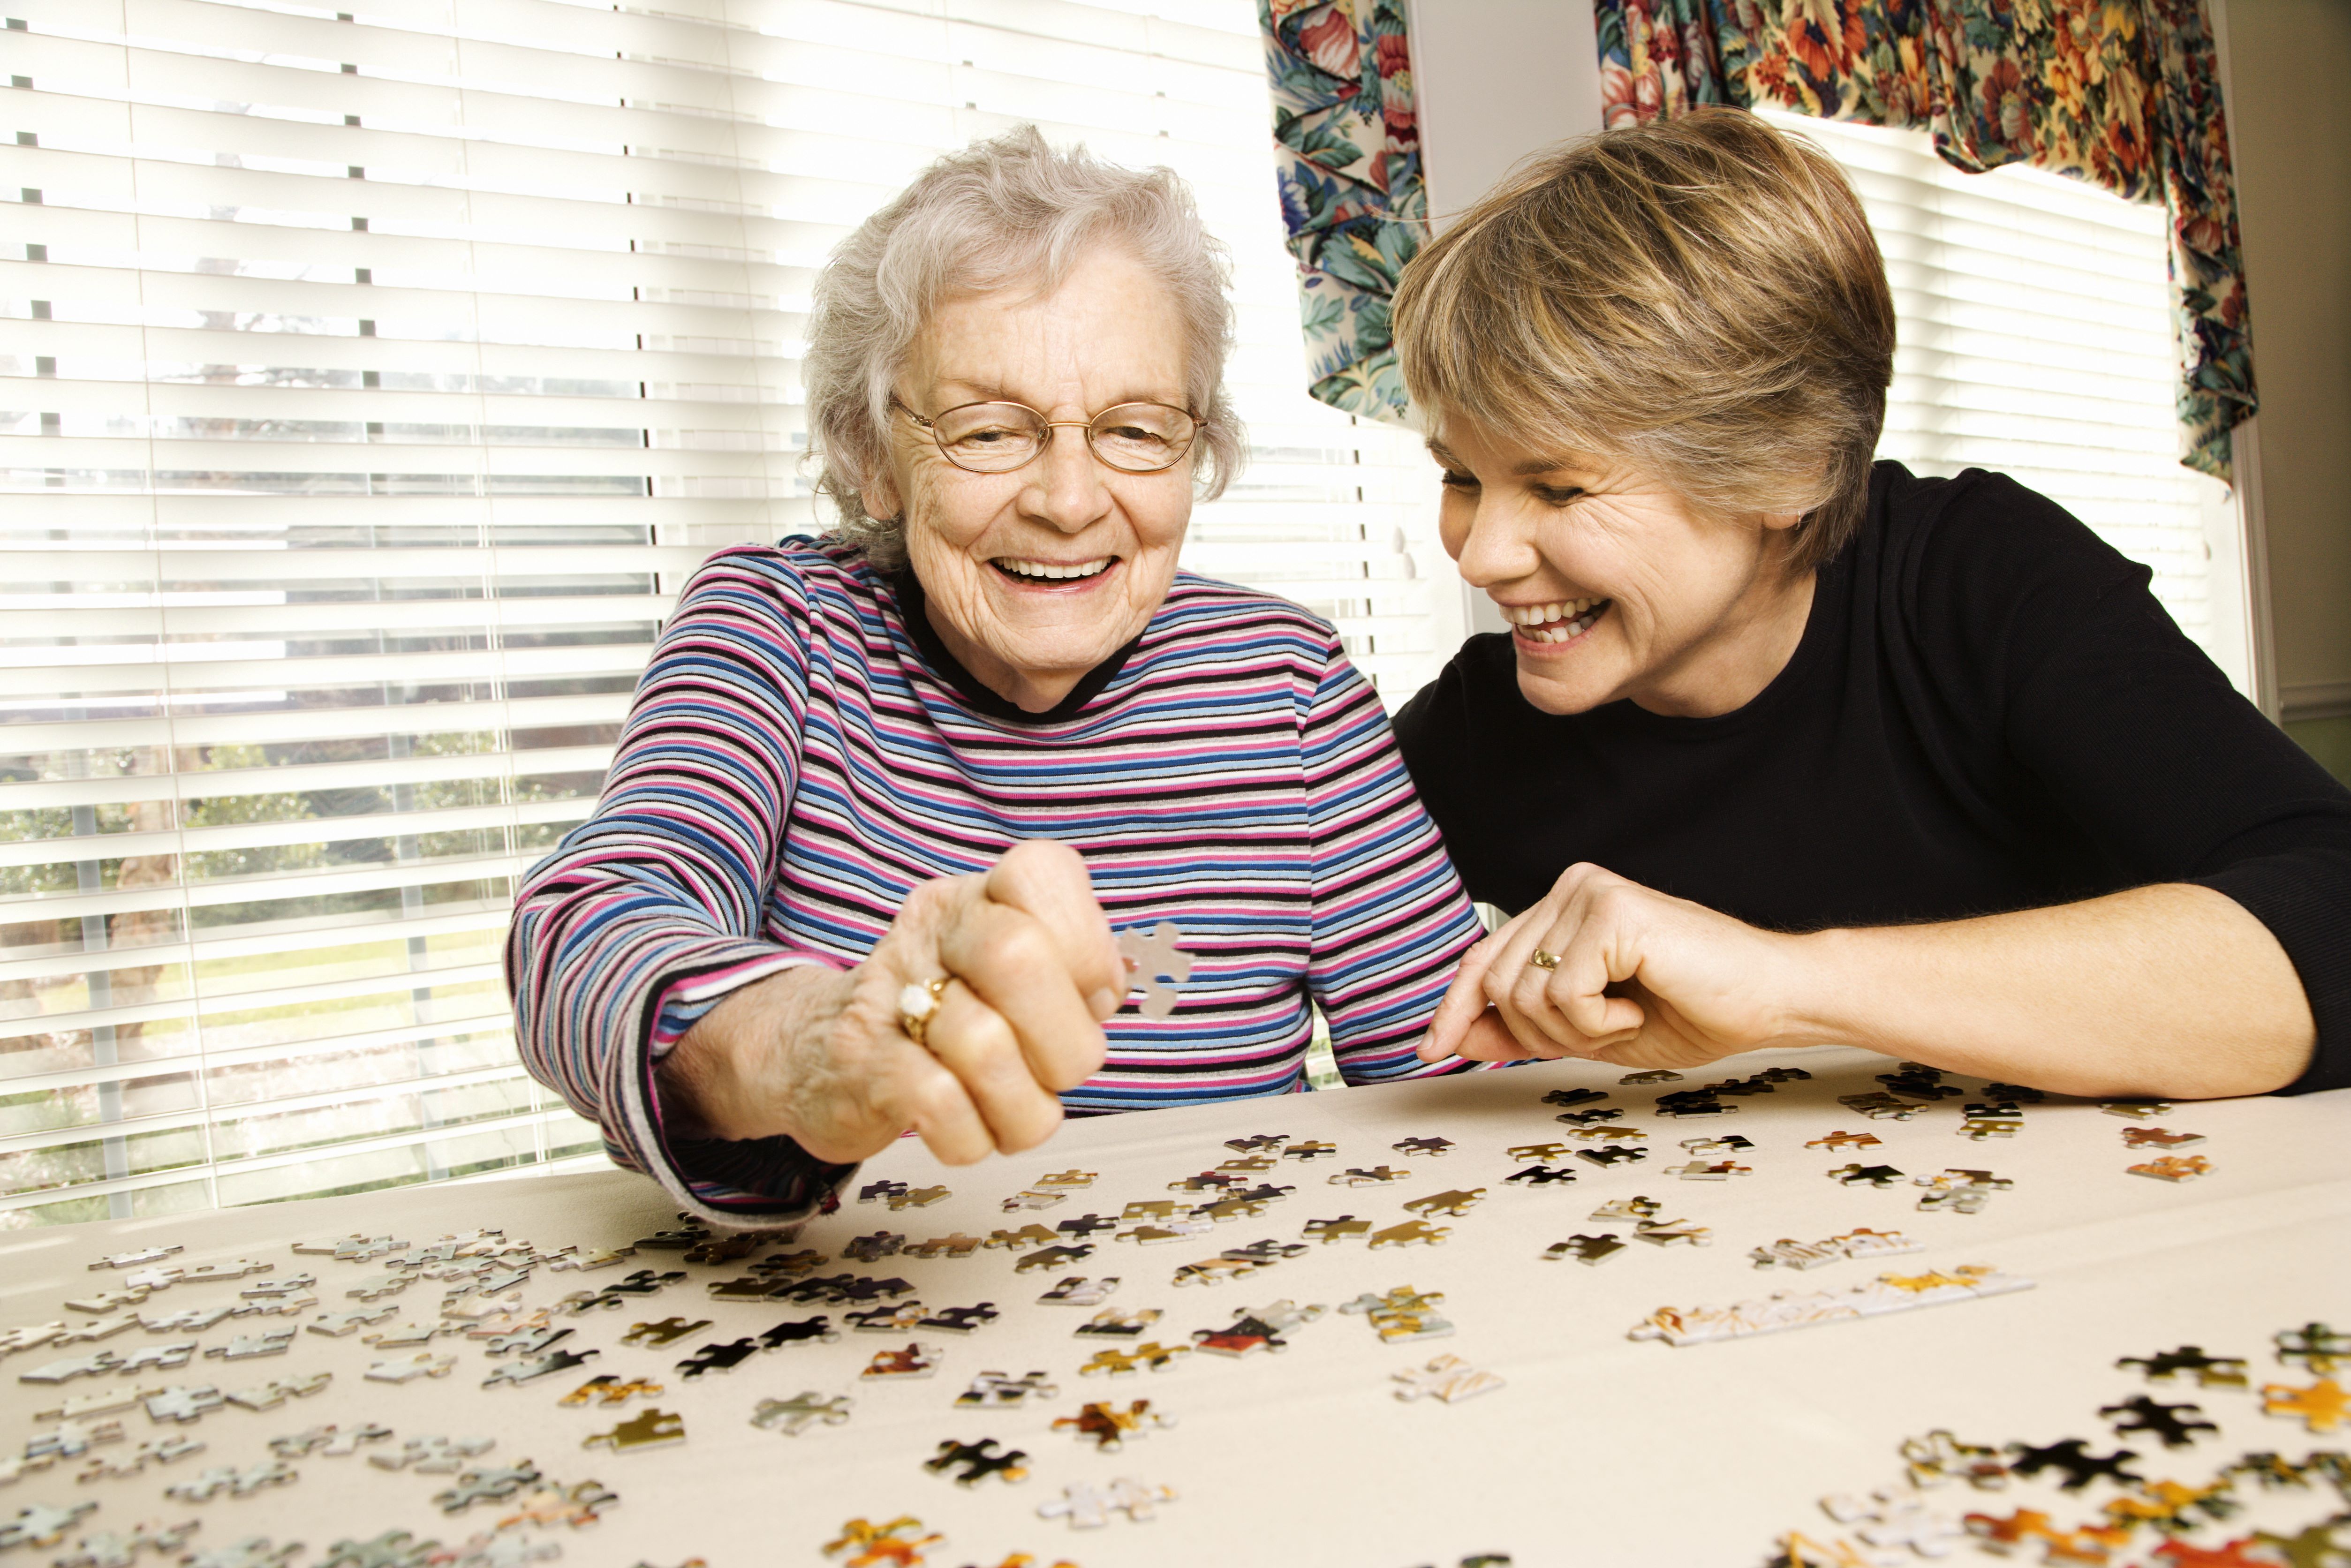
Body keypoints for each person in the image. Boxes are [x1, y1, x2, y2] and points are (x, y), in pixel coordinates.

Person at [506, 128, 1484, 1223]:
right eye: (986, 431)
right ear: (871, 455)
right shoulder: (777, 628)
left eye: (1132, 429)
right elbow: (585, 928)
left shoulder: (1287, 687)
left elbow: (1460, 1079)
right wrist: (808, 1042)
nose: (1068, 501)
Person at [1388, 108, 2351, 1100]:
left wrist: (1783, 983)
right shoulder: (1477, 727)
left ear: (1788, 464)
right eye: (1460, 476)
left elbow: (2333, 912)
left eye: (1558, 488)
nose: (1481, 554)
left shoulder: (1982, 579)